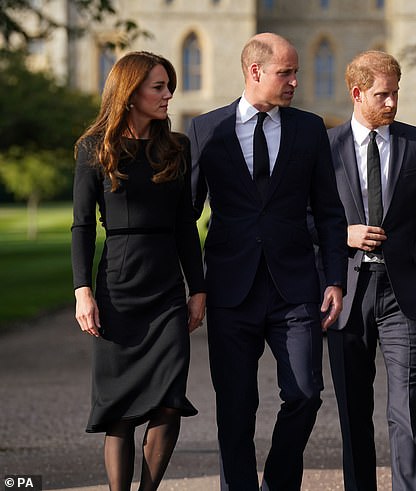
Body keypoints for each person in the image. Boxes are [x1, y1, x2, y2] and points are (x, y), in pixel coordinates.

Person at [187, 33, 348, 490]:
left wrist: (334, 280)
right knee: (236, 407)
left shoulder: (309, 129)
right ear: (255, 72)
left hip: (295, 289)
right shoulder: (207, 130)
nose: (295, 80)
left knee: (305, 394)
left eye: (296, 71)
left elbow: (331, 213)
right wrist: (193, 285)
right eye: (286, 72)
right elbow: (187, 215)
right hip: (229, 290)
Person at [327, 50, 416, 491]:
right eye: (381, 95)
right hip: (346, 294)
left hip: (403, 294)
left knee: (407, 406)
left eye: (395, 93)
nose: (392, 103)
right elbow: (301, 218)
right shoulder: (324, 147)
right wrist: (343, 235)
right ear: (357, 93)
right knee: (353, 409)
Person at [72, 51, 206, 491]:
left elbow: (187, 224)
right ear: (130, 94)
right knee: (122, 410)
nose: (169, 94)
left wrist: (197, 289)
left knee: (169, 401)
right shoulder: (95, 148)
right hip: (118, 288)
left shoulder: (177, 147)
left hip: (166, 288)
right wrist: (82, 292)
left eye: (169, 85)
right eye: (159, 87)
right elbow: (82, 225)